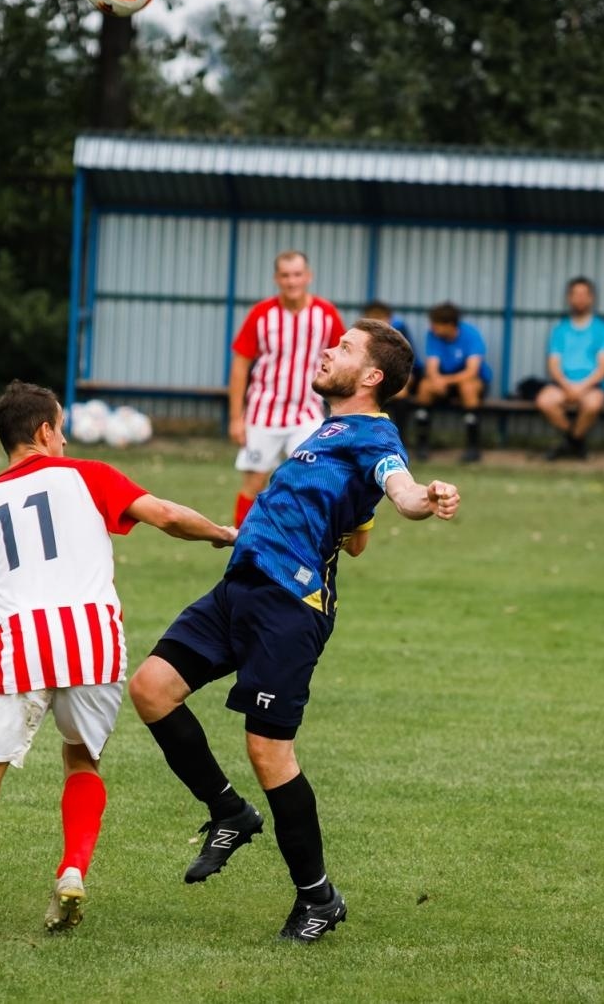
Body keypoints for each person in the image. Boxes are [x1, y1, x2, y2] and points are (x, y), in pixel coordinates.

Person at [128, 319, 461, 943]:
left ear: (371, 376)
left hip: (290, 604)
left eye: (344, 348)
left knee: (269, 751)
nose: (327, 350)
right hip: (240, 587)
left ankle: (318, 897)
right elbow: (357, 534)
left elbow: (403, 490)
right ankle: (229, 810)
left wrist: (426, 498)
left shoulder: (376, 435)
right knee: (150, 688)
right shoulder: (330, 431)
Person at [0, 381, 237, 945]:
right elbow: (164, 515)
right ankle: (71, 871)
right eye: (62, 427)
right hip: (92, 637)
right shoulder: (88, 475)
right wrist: (221, 534)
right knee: (81, 759)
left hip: (16, 639)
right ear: (45, 432)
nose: (65, 438)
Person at [228, 250, 346, 527]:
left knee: (309, 479)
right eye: (285, 275)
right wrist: (236, 417)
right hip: (263, 412)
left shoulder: (325, 314)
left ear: (308, 276)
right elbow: (240, 365)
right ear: (276, 278)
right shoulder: (261, 314)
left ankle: (298, 547)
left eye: (297, 275)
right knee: (254, 482)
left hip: (306, 412)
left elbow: (342, 361)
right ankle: (242, 547)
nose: (292, 281)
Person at [535, 277, 604, 461]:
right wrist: (566, 385)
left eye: (584, 294)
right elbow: (553, 364)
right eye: (575, 294)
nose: (580, 298)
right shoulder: (560, 329)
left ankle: (568, 443)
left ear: (591, 298)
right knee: (544, 401)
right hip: (563, 384)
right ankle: (576, 441)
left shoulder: (601, 329)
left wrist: (581, 387)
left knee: (592, 404)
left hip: (592, 385)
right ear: (569, 298)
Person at [414, 301, 492, 464]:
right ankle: (422, 445)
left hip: (470, 382)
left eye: (436, 324)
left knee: (468, 387)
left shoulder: (471, 335)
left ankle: (473, 448)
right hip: (444, 383)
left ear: (449, 325)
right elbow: (432, 366)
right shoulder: (433, 335)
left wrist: (445, 381)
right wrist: (436, 380)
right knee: (424, 387)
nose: (432, 328)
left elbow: (471, 371)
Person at [361, 301, 422, 445]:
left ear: (389, 319)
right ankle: (367, 440)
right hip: (374, 381)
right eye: (372, 320)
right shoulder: (362, 335)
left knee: (401, 398)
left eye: (380, 319)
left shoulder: (400, 332)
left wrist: (403, 386)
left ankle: (399, 441)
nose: (377, 324)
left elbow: (410, 365)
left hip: (397, 380)